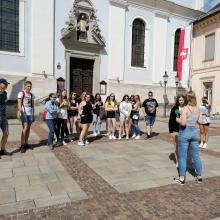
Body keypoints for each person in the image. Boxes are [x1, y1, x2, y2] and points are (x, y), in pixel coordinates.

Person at [174, 91, 202, 185]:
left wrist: (177, 119)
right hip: (194, 132)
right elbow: (200, 121)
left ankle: (181, 179)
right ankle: (199, 176)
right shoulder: (198, 108)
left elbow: (183, 123)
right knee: (196, 156)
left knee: (182, 157)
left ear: (187, 98)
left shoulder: (185, 108)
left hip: (185, 132)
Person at [17, 81, 35, 153]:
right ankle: (22, 145)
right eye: (28, 86)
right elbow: (19, 103)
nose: (29, 88)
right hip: (24, 113)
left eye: (30, 86)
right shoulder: (21, 93)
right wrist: (20, 111)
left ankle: (26, 143)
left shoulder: (31, 95)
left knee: (28, 128)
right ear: (25, 86)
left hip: (30, 113)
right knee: (25, 127)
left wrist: (33, 114)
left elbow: (32, 105)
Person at [168, 95, 186, 166]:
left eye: (182, 100)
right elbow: (171, 120)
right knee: (176, 146)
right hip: (176, 130)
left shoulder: (186, 108)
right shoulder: (175, 108)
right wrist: (171, 131)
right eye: (180, 100)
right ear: (178, 101)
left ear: (184, 100)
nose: (181, 101)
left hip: (184, 130)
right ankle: (177, 161)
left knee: (184, 147)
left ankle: (183, 160)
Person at [0, 78, 11, 158]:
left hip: (3, 116)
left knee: (6, 133)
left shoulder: (5, 93)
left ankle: (2, 150)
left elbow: (5, 101)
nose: (6, 85)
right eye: (5, 84)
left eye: (7, 84)